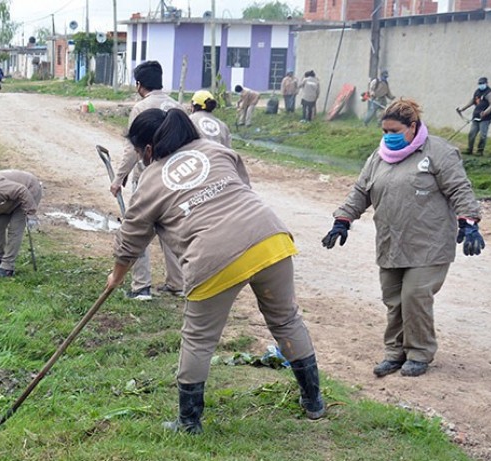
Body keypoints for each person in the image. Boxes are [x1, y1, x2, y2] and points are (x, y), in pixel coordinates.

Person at [107, 107, 326, 434]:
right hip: (269, 239)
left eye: (138, 152)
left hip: (214, 258)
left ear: (148, 150)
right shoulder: (216, 149)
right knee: (286, 320)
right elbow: (242, 187)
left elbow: (131, 236)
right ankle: (314, 403)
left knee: (198, 340)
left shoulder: (151, 180)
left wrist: (117, 275)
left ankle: (189, 422)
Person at [322, 99, 484, 378]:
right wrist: (342, 220)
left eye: (394, 130)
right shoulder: (378, 157)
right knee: (394, 299)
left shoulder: (438, 152)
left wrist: (469, 222)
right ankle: (395, 352)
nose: (388, 136)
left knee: (415, 295)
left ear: (412, 127)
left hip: (428, 243)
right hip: (391, 241)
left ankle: (420, 353)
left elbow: (460, 189)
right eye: (384, 131)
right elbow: (360, 192)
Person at [110, 60, 184, 300]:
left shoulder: (141, 108)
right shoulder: (177, 107)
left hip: (148, 177)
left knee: (137, 226)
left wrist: (119, 177)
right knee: (169, 228)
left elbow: (133, 148)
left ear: (139, 84)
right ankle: (177, 283)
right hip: (174, 178)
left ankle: (141, 286)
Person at [457, 77, 491, 156]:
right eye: (480, 84)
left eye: (482, 83)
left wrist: (486, 112)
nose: (481, 85)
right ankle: (470, 149)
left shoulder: (490, 93)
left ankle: (480, 151)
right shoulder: (477, 92)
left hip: (485, 118)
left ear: (486, 83)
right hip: (476, 116)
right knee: (471, 134)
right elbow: (473, 101)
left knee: (483, 135)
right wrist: (463, 109)